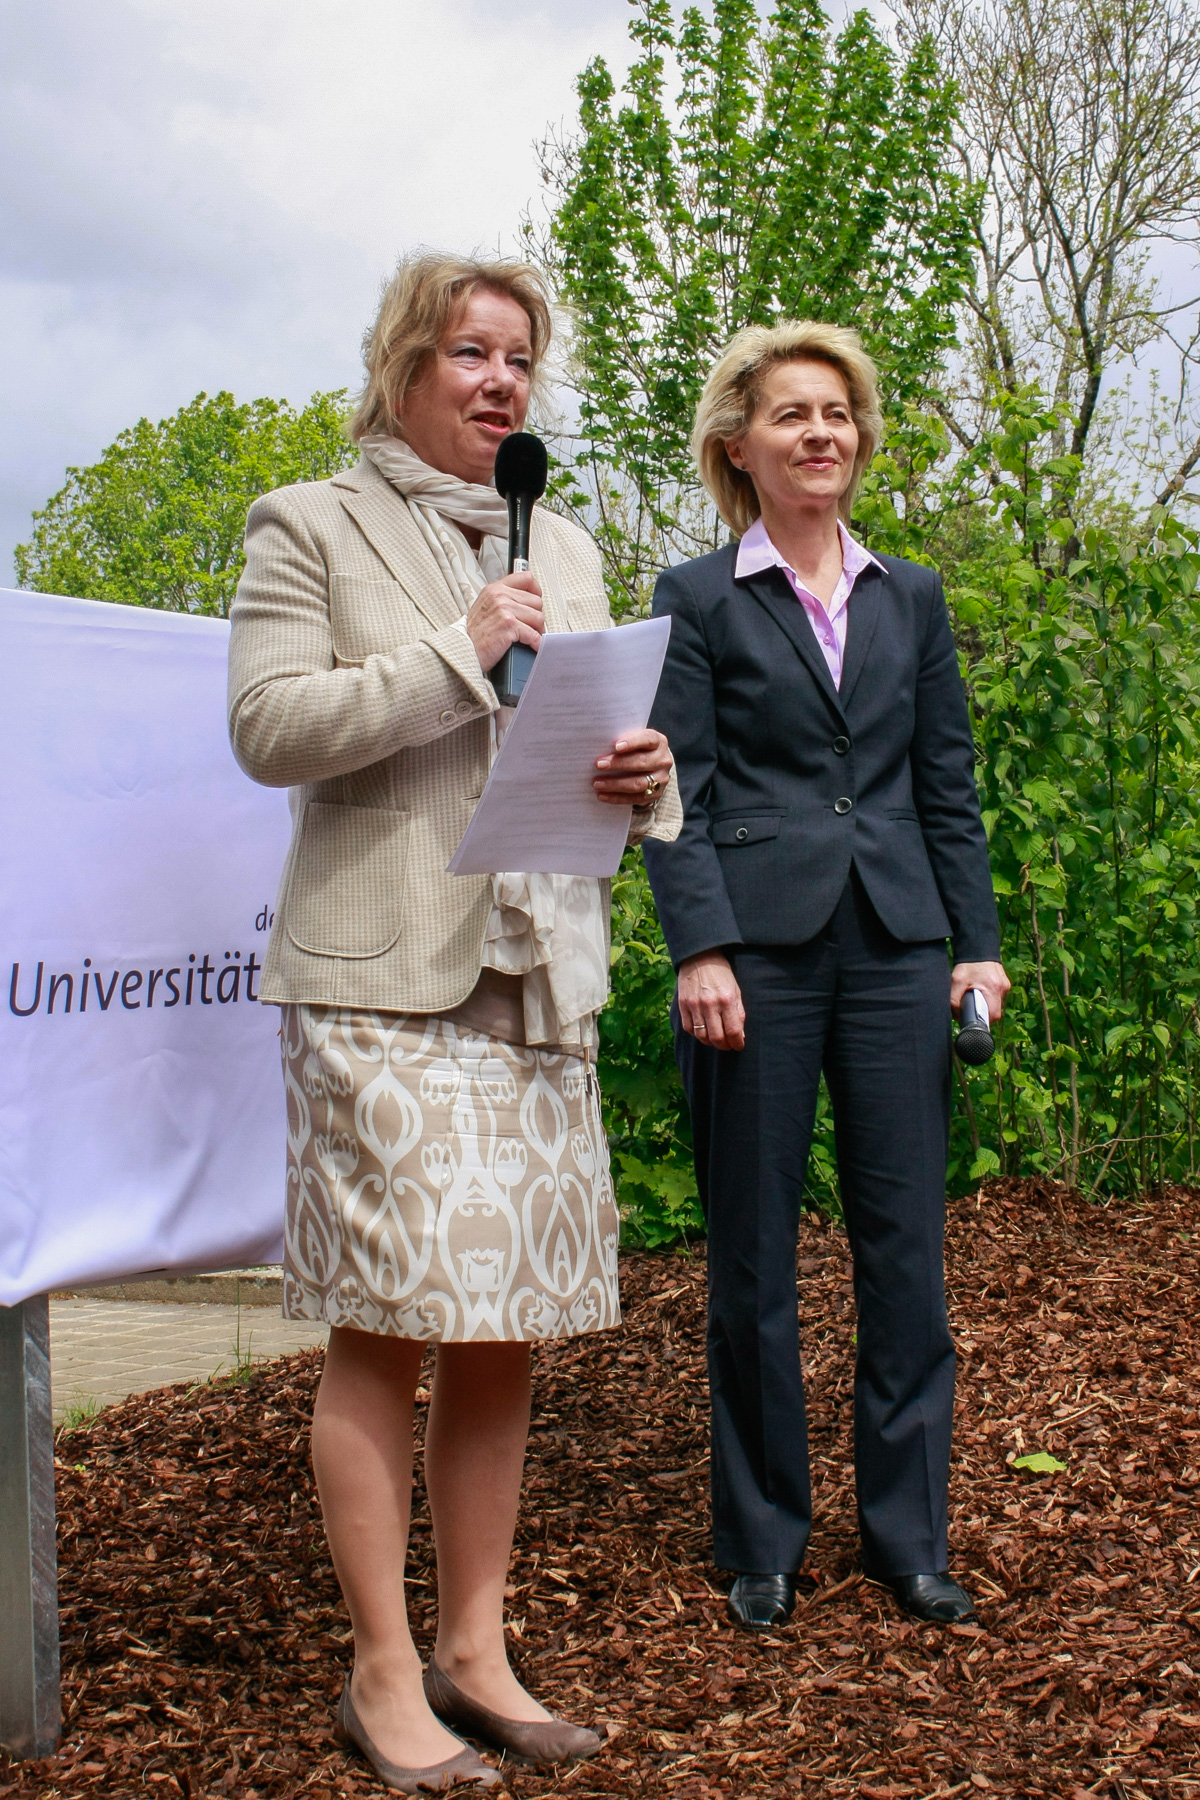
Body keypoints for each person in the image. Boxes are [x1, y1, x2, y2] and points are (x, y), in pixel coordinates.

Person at [227, 252, 678, 1792]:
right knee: (388, 1324)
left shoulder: (575, 546)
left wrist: (646, 779)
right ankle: (383, 1671)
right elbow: (270, 730)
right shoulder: (308, 523)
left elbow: (609, 745)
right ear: (406, 364)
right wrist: (454, 650)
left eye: (520, 360)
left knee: (506, 1337)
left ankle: (477, 1651)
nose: (500, 382)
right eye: (470, 353)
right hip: (379, 989)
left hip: (536, 975)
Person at [642, 320, 1009, 1634]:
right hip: (756, 956)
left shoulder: (908, 595)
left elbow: (944, 782)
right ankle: (764, 1542)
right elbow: (672, 785)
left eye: (838, 413)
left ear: (859, 440)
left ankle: (909, 1539)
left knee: (907, 1255)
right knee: (751, 1259)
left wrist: (976, 940)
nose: (819, 433)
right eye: (791, 414)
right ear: (739, 447)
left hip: (901, 949)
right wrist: (700, 944)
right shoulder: (695, 598)